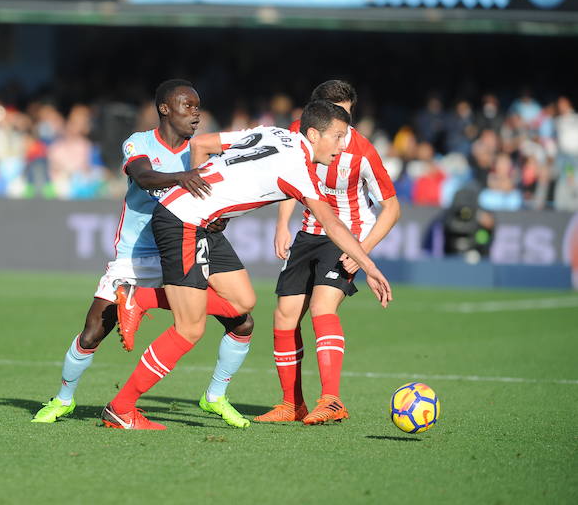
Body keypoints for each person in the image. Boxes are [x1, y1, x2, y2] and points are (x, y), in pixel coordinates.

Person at [102, 100, 393, 430]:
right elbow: (333, 224)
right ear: (313, 134)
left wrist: (209, 203)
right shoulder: (298, 168)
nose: (343, 145)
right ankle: (121, 407)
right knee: (190, 328)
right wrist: (369, 266)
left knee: (242, 301)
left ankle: (140, 298)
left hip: (200, 221)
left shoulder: (274, 133)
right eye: (338, 137)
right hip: (182, 222)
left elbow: (203, 144)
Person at [32, 80, 254, 428]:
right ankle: (63, 400)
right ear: (165, 108)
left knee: (242, 320)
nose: (195, 114)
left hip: (184, 248)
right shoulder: (139, 142)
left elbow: (215, 201)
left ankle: (215, 396)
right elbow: (144, 176)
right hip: (137, 254)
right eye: (187, 106)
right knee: (92, 332)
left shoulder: (204, 151)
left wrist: (218, 221)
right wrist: (184, 177)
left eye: (198, 107)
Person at [257, 80, 399, 425]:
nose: (342, 127)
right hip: (309, 232)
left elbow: (392, 208)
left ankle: (332, 400)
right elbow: (293, 179)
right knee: (284, 316)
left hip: (347, 237)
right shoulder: (298, 136)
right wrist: (281, 224)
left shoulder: (362, 151)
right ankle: (292, 404)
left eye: (346, 117)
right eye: (334, 118)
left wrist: (362, 252)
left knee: (322, 307)